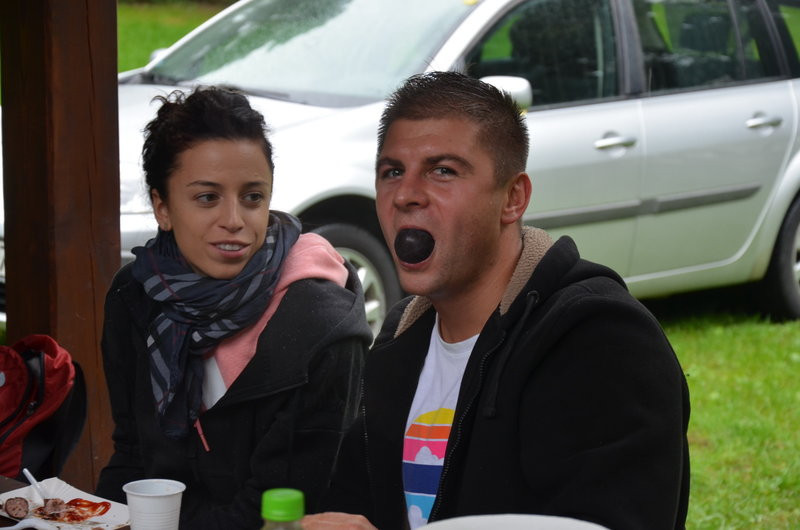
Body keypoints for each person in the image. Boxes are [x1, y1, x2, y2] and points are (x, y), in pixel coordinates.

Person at [304, 72, 690, 530]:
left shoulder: (600, 341)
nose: (405, 195)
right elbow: (353, 502)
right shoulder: (398, 342)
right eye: (392, 172)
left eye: (442, 170)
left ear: (513, 198)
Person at [95, 86, 372, 529]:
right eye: (207, 197)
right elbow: (132, 457)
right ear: (162, 207)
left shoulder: (318, 325)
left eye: (252, 197)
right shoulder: (135, 295)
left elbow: (278, 508)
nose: (235, 221)